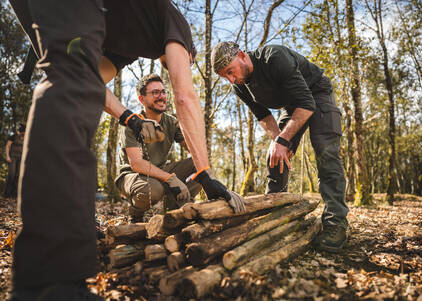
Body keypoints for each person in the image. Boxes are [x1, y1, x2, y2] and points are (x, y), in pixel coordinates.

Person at [8, 0, 244, 300]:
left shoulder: (126, 43)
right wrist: (206, 174)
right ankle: (49, 282)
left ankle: (46, 274)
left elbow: (90, 81)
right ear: (187, 52)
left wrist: (126, 116)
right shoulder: (177, 25)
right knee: (67, 79)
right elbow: (185, 96)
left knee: (67, 77)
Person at [211, 42, 349, 253]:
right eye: (225, 77)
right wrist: (279, 142)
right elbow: (263, 116)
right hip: (293, 105)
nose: (231, 79)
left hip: (316, 93)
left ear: (242, 55)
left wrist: (284, 140)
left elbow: (307, 102)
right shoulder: (239, 86)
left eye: (230, 71)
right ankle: (274, 218)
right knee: (274, 156)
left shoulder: (274, 56)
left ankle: (336, 224)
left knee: (326, 152)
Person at [117, 74, 202, 222]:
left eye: (163, 92)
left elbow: (195, 149)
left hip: (159, 171)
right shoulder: (132, 124)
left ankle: (179, 211)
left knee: (199, 164)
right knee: (154, 189)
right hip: (132, 176)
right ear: (142, 99)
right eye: (155, 93)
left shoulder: (171, 122)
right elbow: (136, 164)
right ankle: (135, 215)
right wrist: (170, 178)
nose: (161, 96)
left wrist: (188, 121)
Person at [4, 124, 25, 200]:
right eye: (23, 133)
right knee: (11, 174)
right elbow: (7, 146)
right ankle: (7, 194)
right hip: (13, 157)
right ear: (20, 131)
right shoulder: (13, 136)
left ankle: (14, 195)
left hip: (21, 158)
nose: (24, 134)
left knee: (18, 175)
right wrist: (7, 156)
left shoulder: (25, 138)